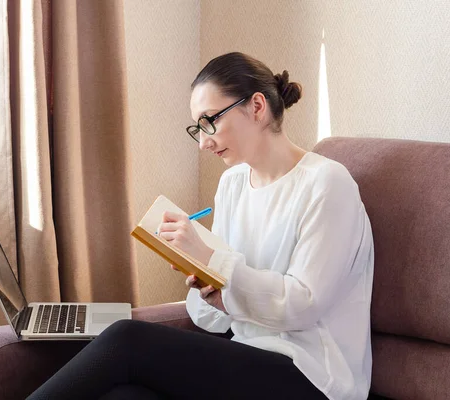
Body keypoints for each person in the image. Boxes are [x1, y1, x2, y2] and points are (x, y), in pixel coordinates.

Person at [27, 52, 374, 400]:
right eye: (198, 127)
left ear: (256, 106)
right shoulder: (233, 183)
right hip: (248, 357)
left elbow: (303, 304)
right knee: (126, 396)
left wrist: (212, 258)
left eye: (211, 121)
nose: (203, 141)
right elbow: (214, 322)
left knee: (126, 339)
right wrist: (205, 283)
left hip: (312, 376)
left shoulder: (327, 183)